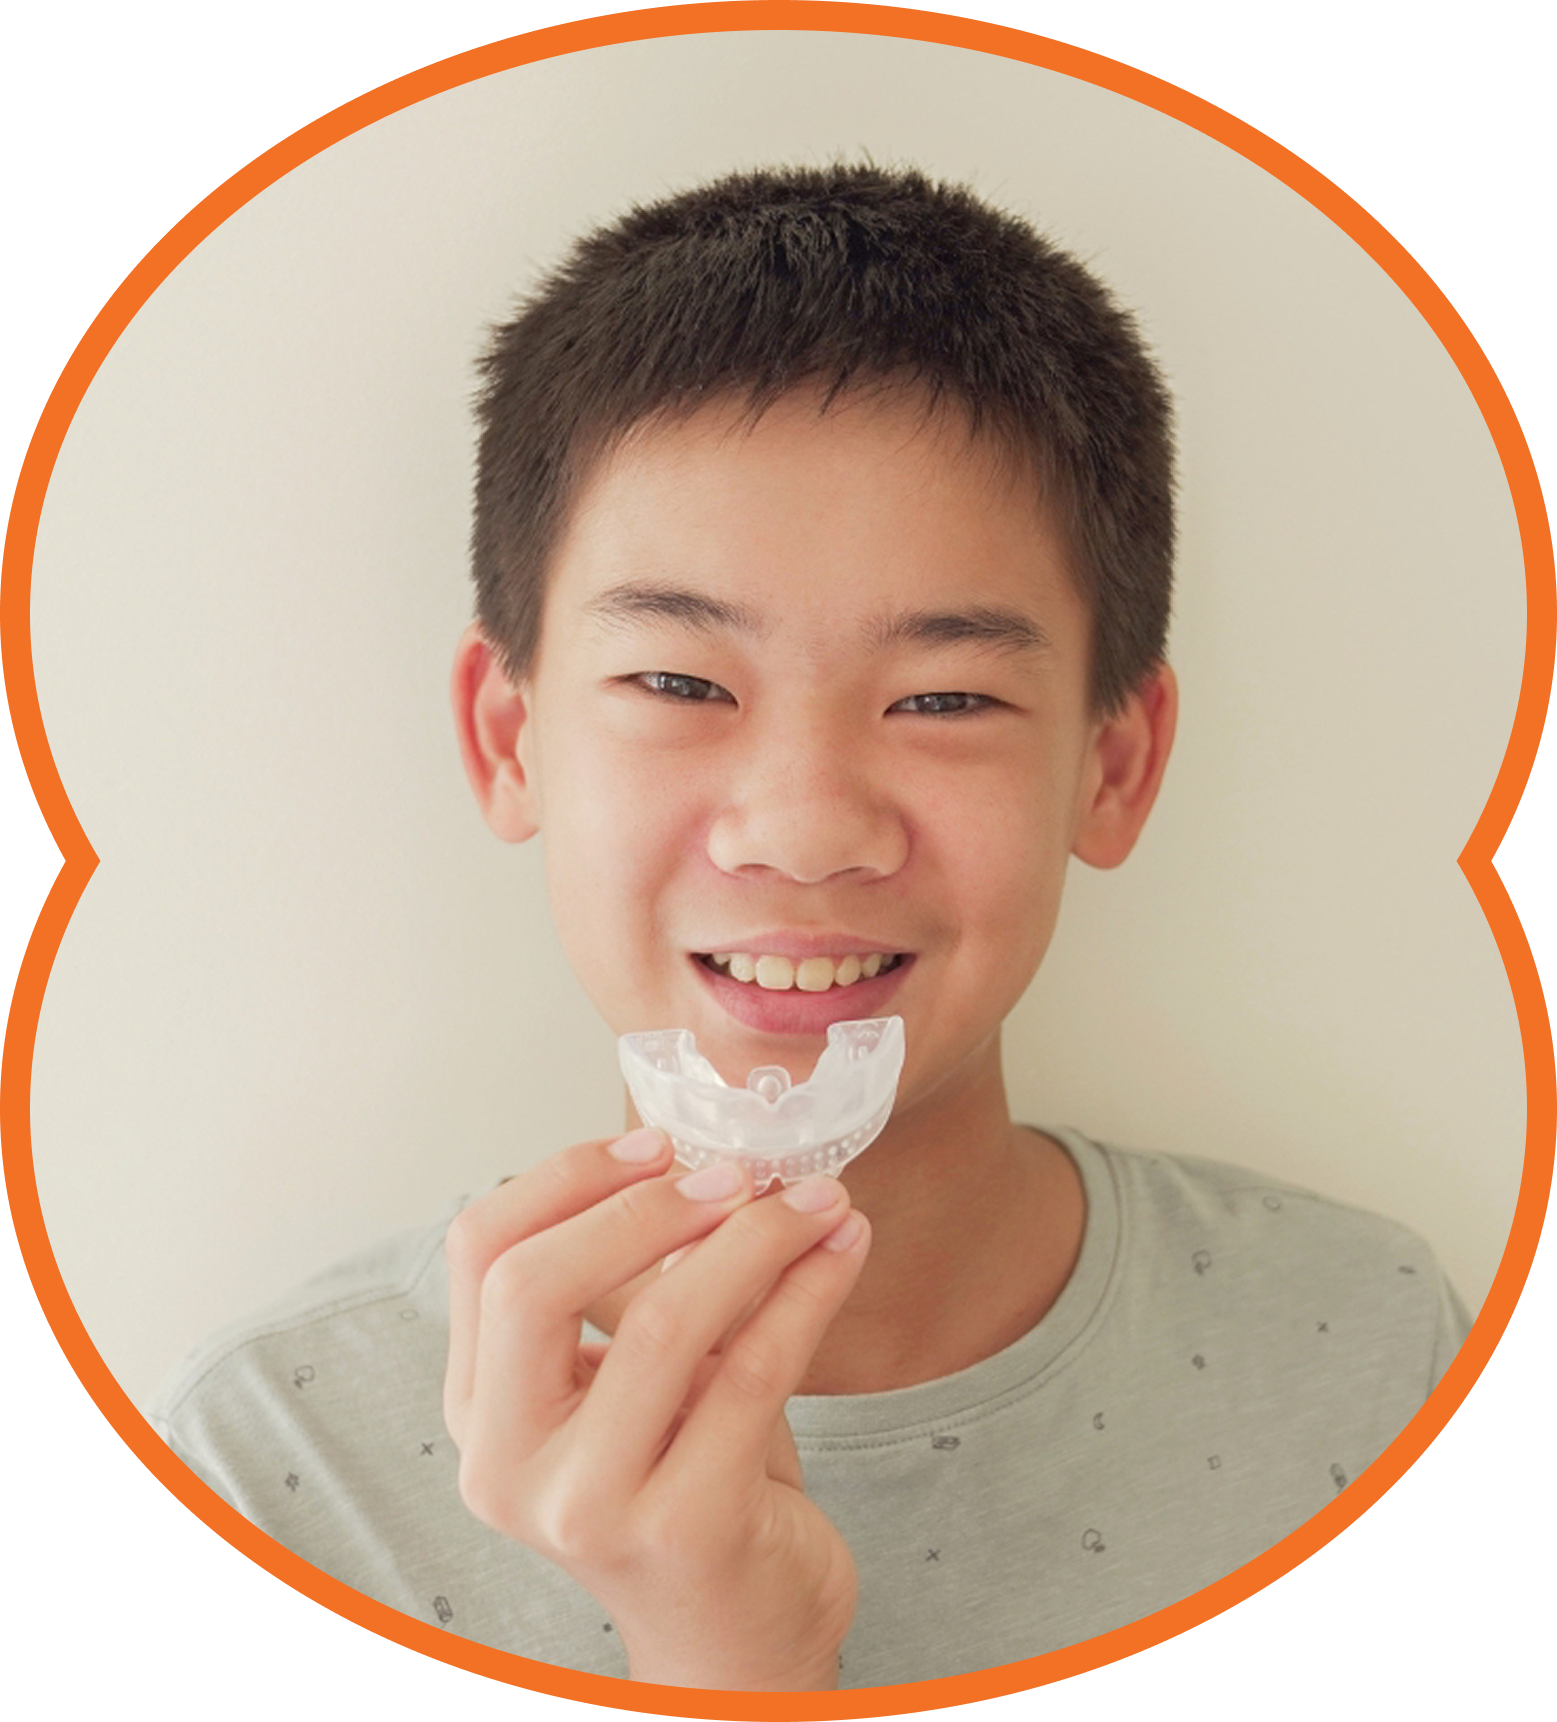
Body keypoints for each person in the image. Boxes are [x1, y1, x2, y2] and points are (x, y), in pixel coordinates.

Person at [149, 164, 1470, 1693]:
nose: (801, 827)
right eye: (678, 684)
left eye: (947, 698)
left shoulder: (1371, 1350)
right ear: (510, 738)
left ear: (1112, 765)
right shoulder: (268, 1453)